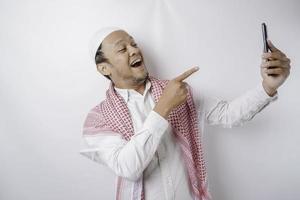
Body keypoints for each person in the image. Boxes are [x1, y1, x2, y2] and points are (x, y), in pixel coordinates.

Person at [79, 27, 291, 200]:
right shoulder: (99, 119)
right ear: (104, 68)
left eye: (133, 44)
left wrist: (268, 87)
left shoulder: (177, 91)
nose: (134, 50)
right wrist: (163, 107)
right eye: (122, 49)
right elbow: (128, 167)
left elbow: (228, 114)